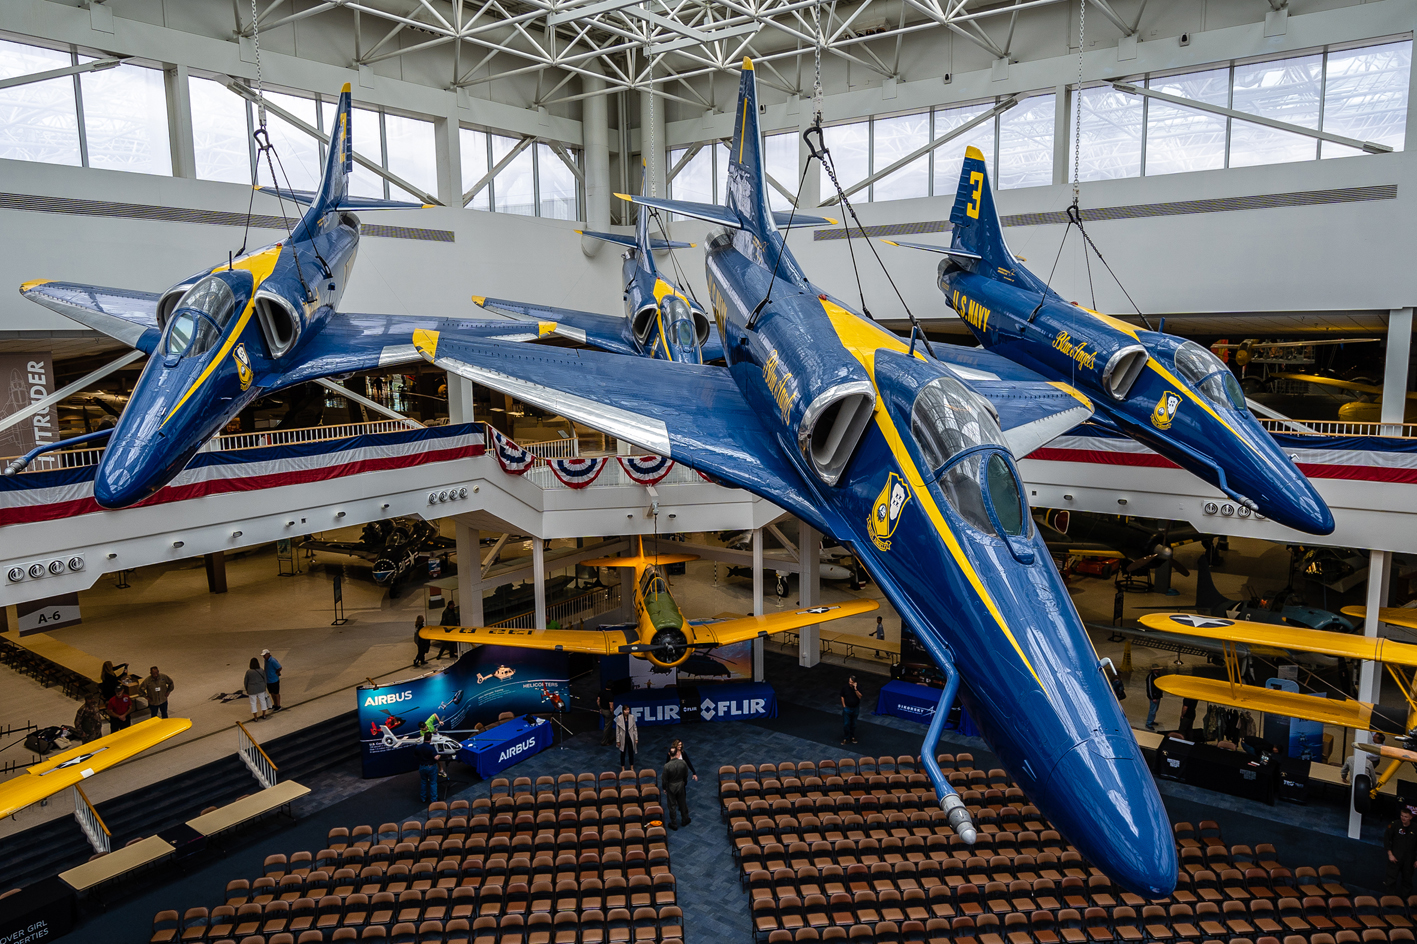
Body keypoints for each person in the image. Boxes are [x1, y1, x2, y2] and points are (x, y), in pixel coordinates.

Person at [1386, 806, 1417, 894]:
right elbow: (1387, 839)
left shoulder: (1415, 828)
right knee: (1391, 879)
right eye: (1402, 816)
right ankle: (1389, 899)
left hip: (1409, 859)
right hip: (1395, 857)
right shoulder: (1394, 824)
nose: (1403, 818)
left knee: (1407, 880)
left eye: (1406, 816)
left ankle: (1405, 899)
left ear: (1411, 817)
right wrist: (1390, 854)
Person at [662, 746, 691, 830]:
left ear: (669, 754)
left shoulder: (667, 766)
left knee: (672, 806)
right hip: (680, 785)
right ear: (676, 754)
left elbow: (664, 779)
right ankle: (685, 819)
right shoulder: (683, 763)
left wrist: (664, 788)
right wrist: (684, 782)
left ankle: (674, 823)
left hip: (671, 787)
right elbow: (686, 774)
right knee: (682, 803)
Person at [413, 730, 444, 804]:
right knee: (433, 783)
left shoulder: (418, 747)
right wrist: (439, 755)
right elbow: (436, 758)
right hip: (431, 767)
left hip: (422, 766)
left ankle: (423, 798)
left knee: (423, 782)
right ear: (430, 739)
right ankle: (434, 799)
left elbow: (415, 755)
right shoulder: (431, 748)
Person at [244, 657, 270, 721]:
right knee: (263, 701)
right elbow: (265, 679)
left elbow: (245, 681)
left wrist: (247, 689)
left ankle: (255, 717)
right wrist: (264, 686)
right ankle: (264, 715)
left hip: (252, 689)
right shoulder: (261, 670)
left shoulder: (249, 672)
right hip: (261, 688)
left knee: (253, 702)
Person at [615, 704, 638, 771]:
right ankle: (623, 768)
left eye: (628, 710)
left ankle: (631, 767)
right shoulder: (619, 718)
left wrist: (636, 738)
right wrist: (618, 740)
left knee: (631, 753)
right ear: (623, 710)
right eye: (626, 710)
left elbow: (635, 728)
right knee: (623, 753)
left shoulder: (632, 717)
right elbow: (618, 730)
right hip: (623, 738)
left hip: (630, 737)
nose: (627, 711)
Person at [841, 676, 862, 745]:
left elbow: (860, 696)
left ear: (855, 683)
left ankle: (852, 736)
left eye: (851, 682)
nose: (850, 683)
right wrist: (844, 706)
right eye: (849, 681)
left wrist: (855, 689)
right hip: (847, 708)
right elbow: (842, 696)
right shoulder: (845, 687)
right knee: (846, 724)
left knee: (853, 724)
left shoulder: (858, 687)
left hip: (855, 708)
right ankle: (846, 738)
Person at [1144, 665, 1163, 731]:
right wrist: (1152, 698)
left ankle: (1152, 720)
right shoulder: (1150, 677)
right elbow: (1149, 689)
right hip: (1154, 697)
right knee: (1152, 710)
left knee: (1155, 709)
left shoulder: (1158, 676)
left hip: (1158, 696)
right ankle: (1148, 723)